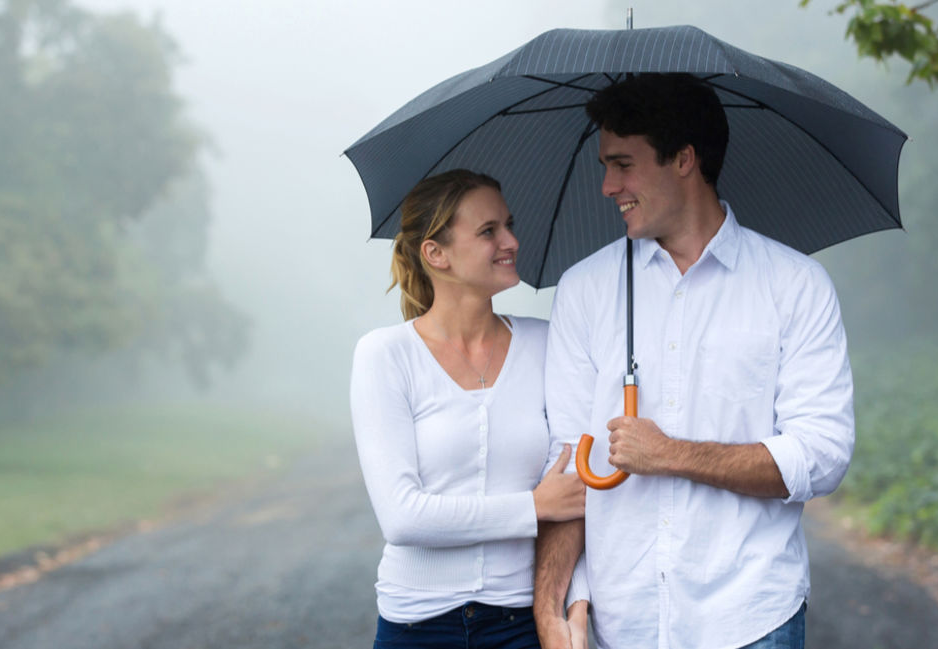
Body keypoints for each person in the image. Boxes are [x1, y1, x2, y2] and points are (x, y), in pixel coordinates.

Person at [533, 73, 856, 649]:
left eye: (623, 163)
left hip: (750, 617)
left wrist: (670, 454)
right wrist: (555, 607)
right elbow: (567, 468)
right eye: (605, 165)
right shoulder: (584, 290)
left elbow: (822, 455)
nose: (608, 186)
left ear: (683, 159)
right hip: (618, 622)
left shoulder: (796, 285)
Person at [351, 169, 590, 649]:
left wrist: (575, 609)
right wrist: (531, 507)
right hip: (416, 629)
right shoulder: (385, 355)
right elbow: (402, 518)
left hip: (521, 627)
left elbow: (574, 499)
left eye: (508, 225)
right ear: (435, 254)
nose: (511, 241)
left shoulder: (546, 344)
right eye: (489, 231)